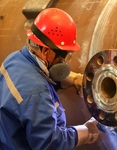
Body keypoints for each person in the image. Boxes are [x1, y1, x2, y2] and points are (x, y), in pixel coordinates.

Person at [0, 8, 99, 150]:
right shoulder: (36, 92)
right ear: (46, 51)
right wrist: (85, 132)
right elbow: (49, 143)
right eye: (65, 56)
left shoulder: (14, 59)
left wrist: (73, 79)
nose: (65, 62)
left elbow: (37, 76)